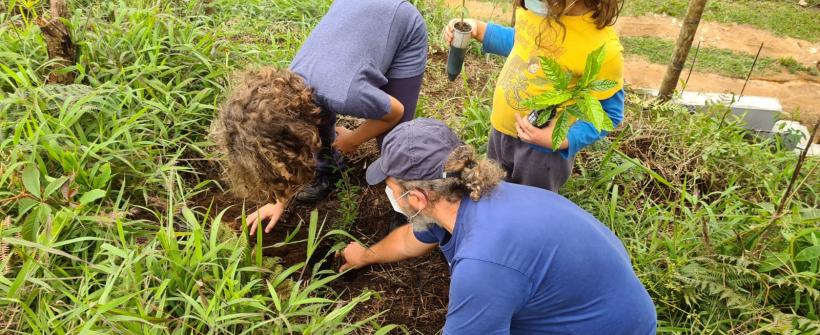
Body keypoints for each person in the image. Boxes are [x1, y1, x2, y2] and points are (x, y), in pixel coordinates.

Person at [339, 118, 657, 334]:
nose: (390, 194)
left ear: (418, 198)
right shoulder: (469, 195)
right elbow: (410, 239)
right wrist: (365, 256)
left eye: (392, 187)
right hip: (593, 302)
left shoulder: (483, 263)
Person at [211, 0, 427, 234]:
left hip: (402, 22)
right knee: (319, 123)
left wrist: (353, 139)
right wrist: (278, 200)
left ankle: (407, 202)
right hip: (355, 21)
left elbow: (396, 112)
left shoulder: (345, 95)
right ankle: (329, 172)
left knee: (397, 137)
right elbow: (298, 145)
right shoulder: (288, 92)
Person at [443, 0, 626, 192]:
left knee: (530, 207)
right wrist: (479, 30)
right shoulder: (538, 11)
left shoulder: (602, 49)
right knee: (493, 193)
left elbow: (609, 113)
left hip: (542, 156)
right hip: (500, 134)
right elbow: (522, 40)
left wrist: (564, 139)